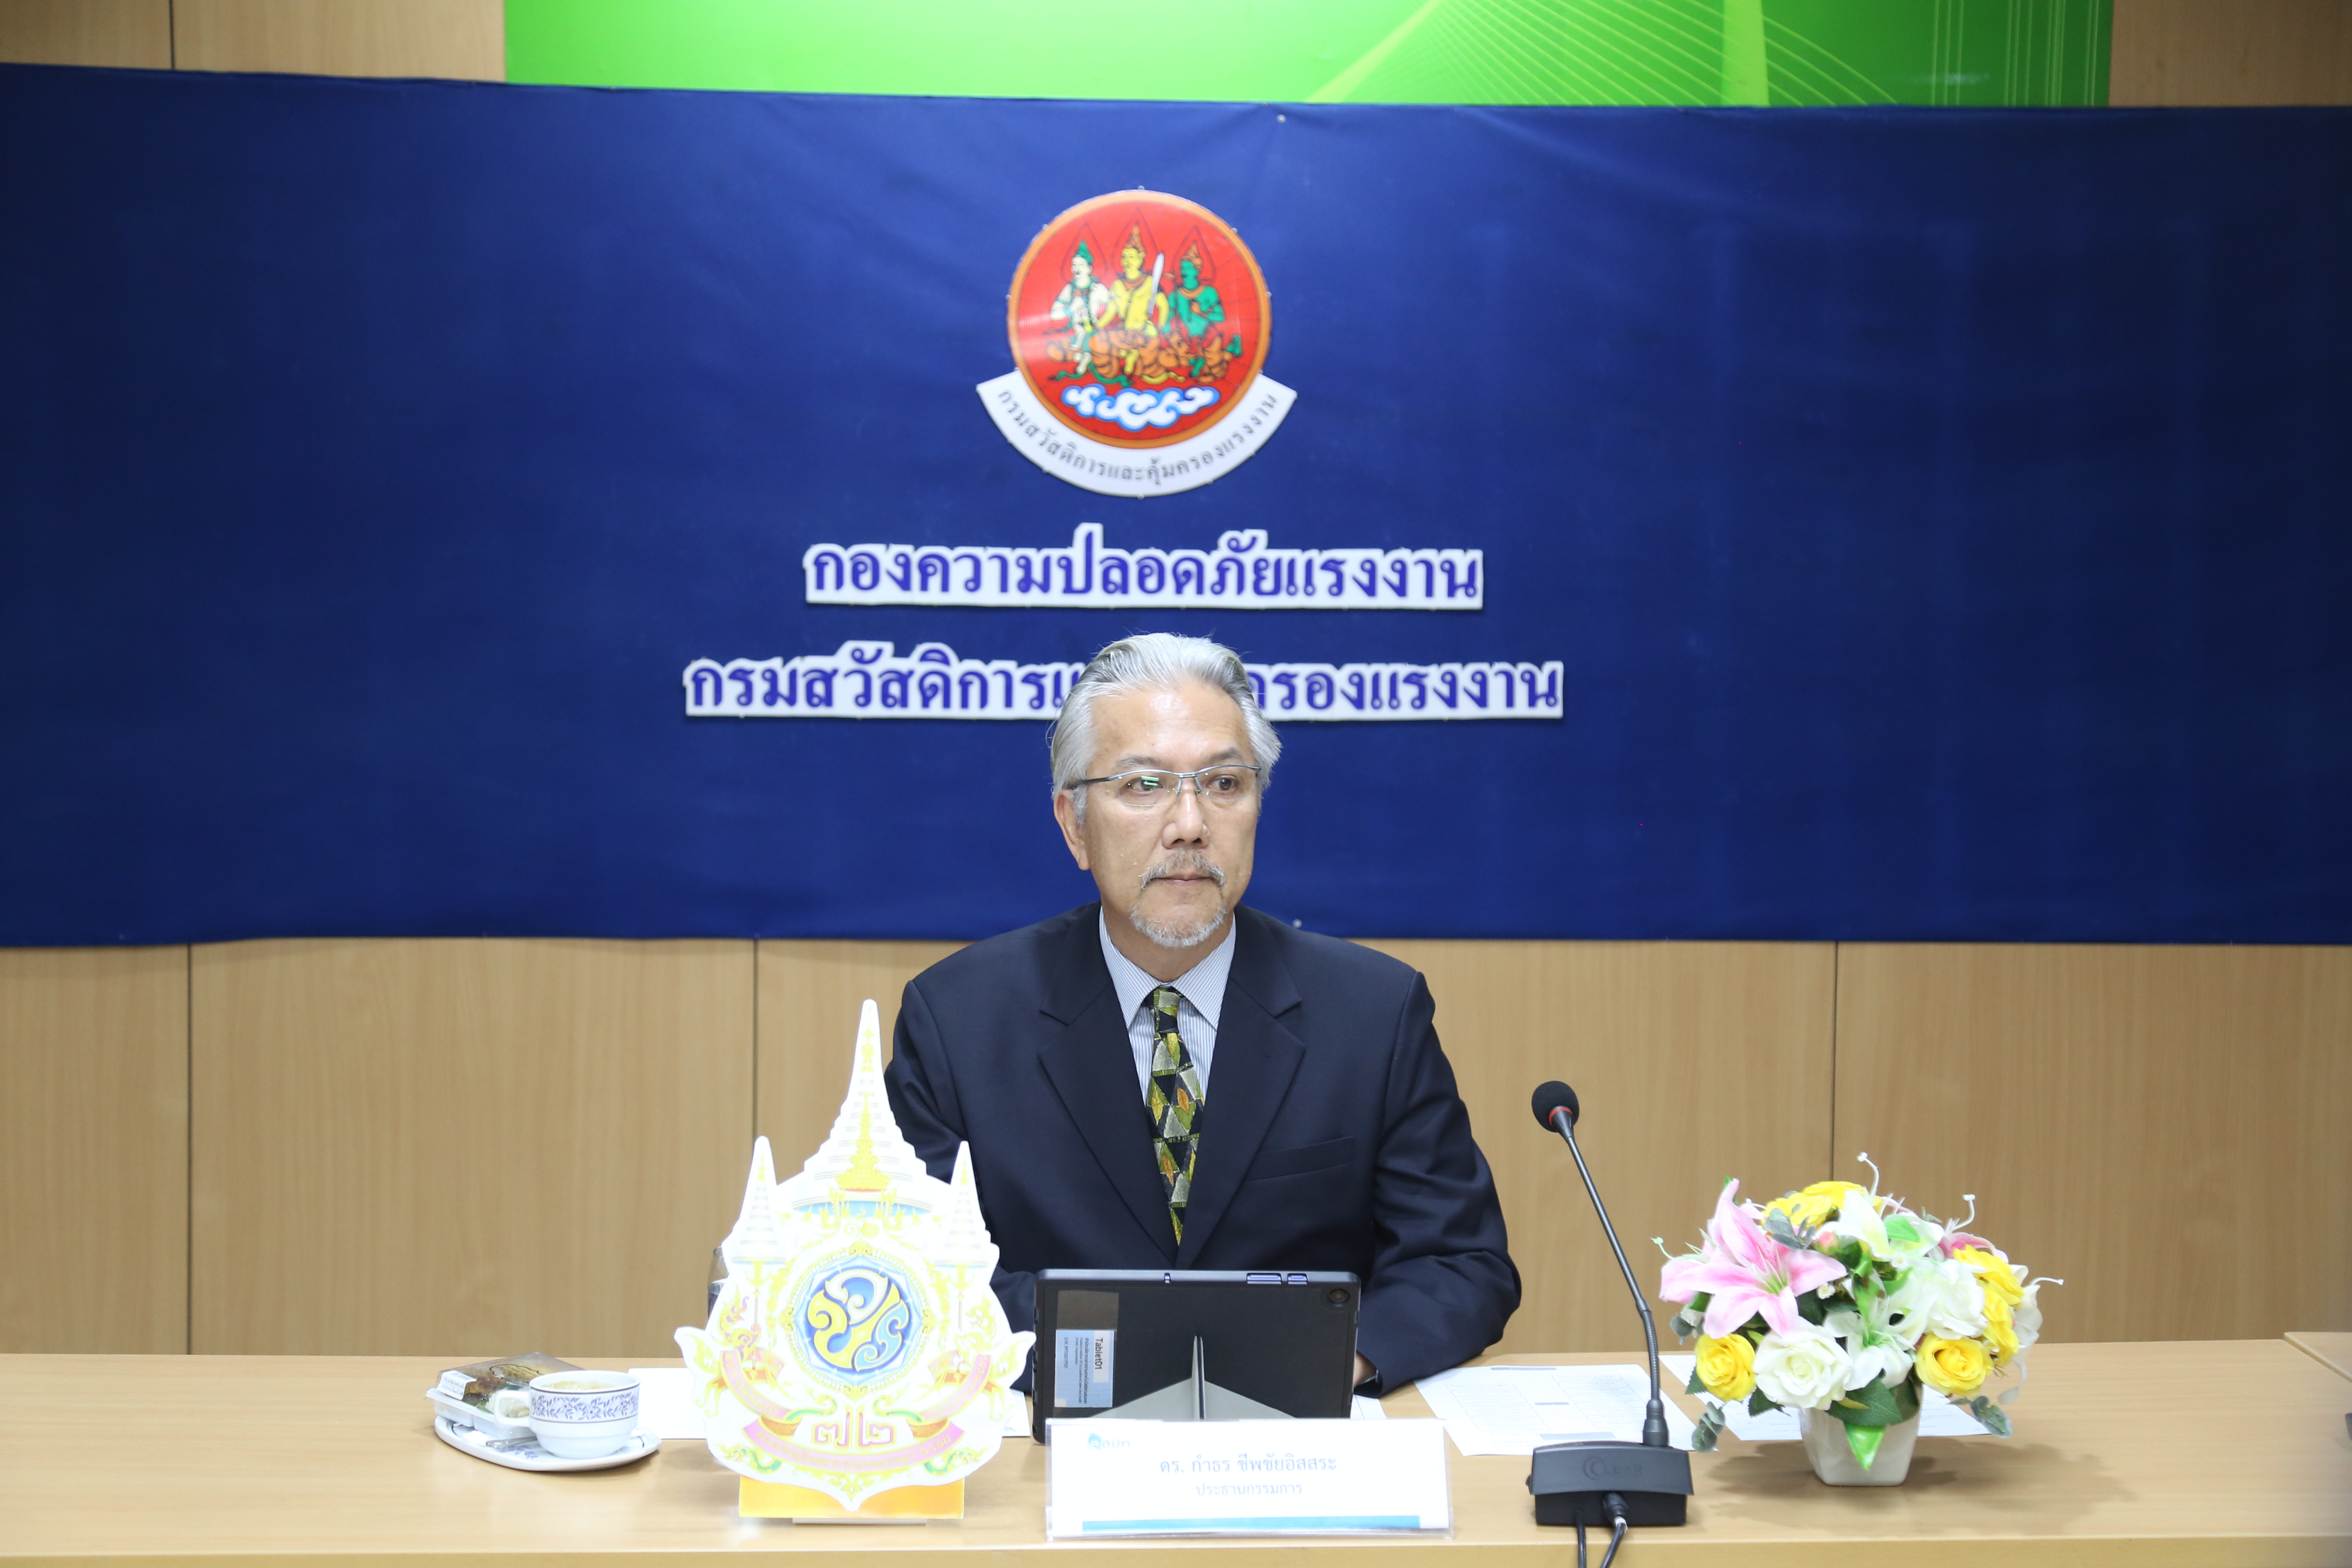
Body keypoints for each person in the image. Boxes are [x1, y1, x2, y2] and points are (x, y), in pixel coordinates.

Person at [883, 633, 1518, 1393]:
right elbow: (916, 1268)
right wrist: (1128, 1364)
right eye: (1144, 785)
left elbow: (1460, 1263)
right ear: (1074, 824)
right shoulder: (959, 1020)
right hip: (1055, 1423)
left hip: (1301, 1430)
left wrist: (1324, 1363)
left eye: (1222, 783)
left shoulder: (1373, 1013)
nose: (1189, 824)